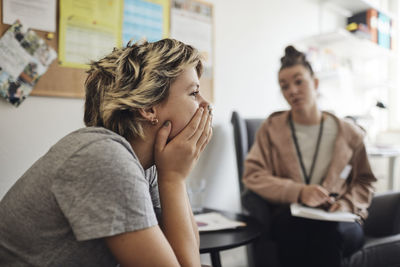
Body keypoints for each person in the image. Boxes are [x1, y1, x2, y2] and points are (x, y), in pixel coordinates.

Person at [0, 38, 213, 266]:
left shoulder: (145, 166)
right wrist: (173, 179)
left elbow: (183, 254)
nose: (205, 104)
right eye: (194, 93)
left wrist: (172, 176)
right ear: (149, 108)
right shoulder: (103, 156)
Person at [242, 45, 376, 267]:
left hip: (339, 217)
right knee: (295, 229)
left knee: (327, 232)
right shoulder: (271, 128)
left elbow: (365, 181)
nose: (292, 91)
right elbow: (253, 175)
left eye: (298, 81)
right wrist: (299, 192)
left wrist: (345, 204)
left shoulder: (349, 133)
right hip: (292, 215)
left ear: (315, 83)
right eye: (284, 87)